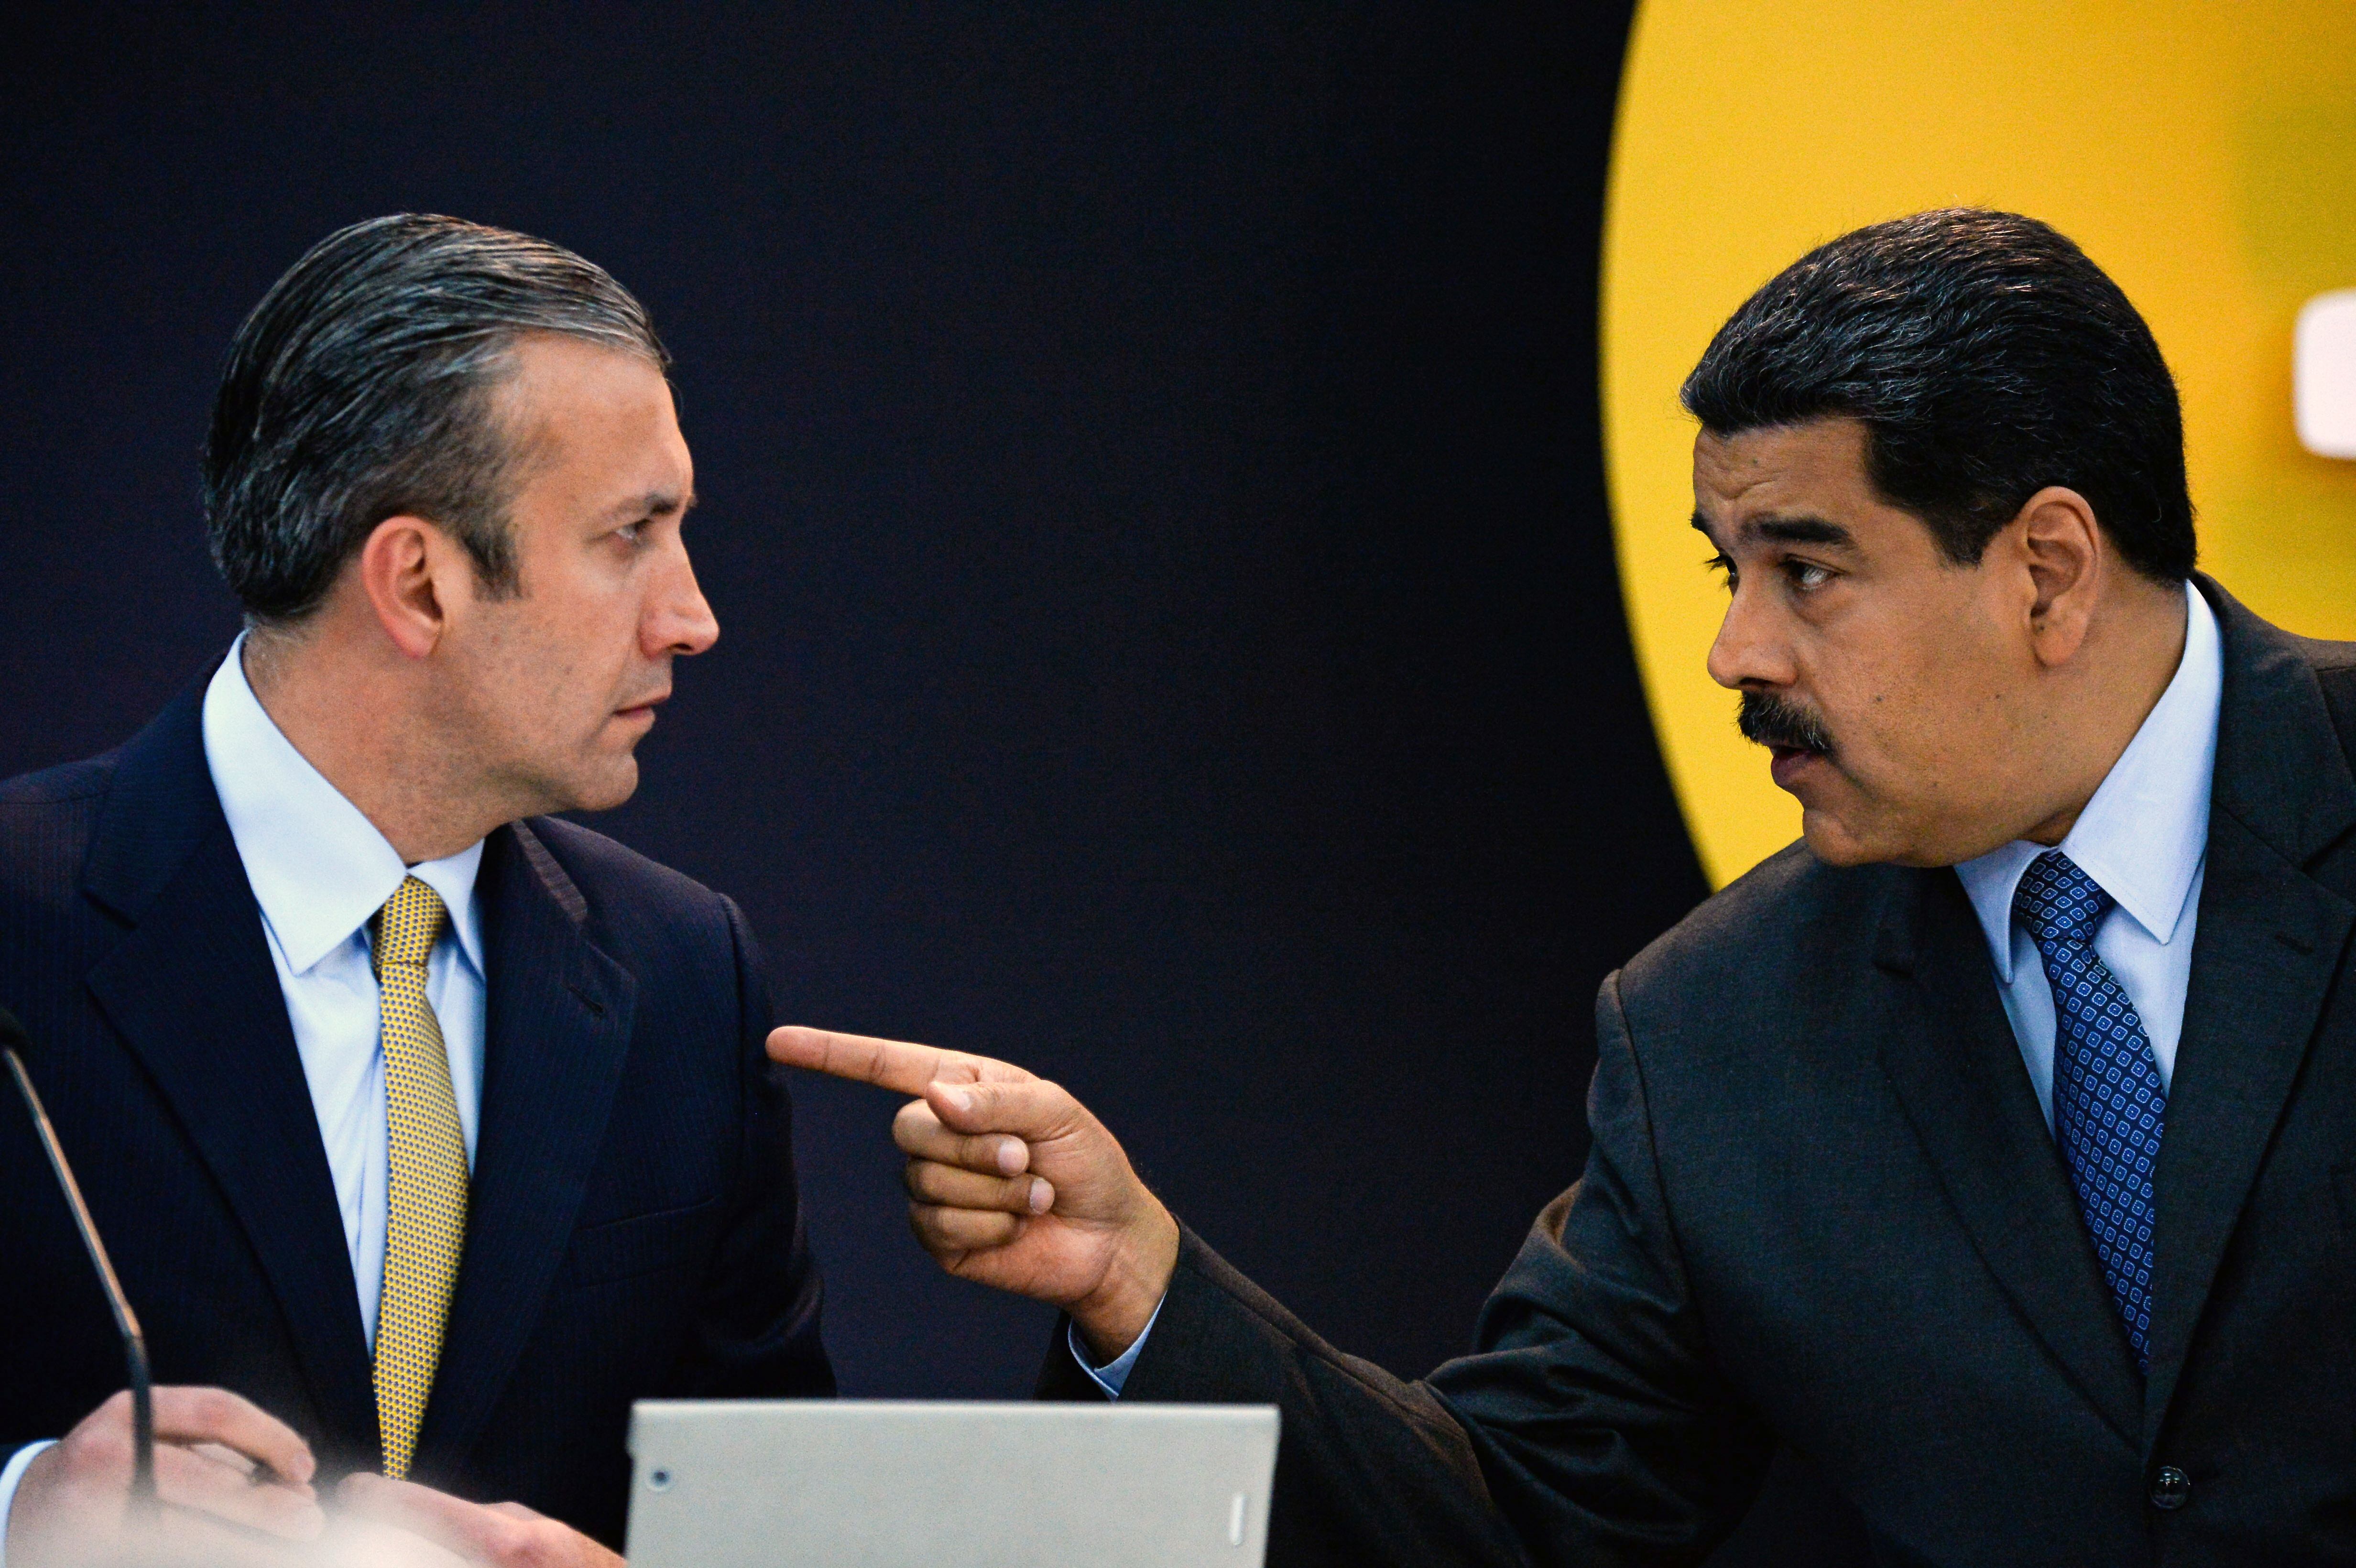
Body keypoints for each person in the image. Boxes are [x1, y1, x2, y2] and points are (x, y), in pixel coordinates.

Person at [775, 209, 2356, 1564]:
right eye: (1724, 570)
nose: (1740, 651)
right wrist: (1139, 1278)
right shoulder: (1719, 1031)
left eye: (1807, 571)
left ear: (2049, 572)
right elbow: (1512, 1522)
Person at [0, 216, 832, 1568]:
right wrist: (23, 1509)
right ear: (419, 582)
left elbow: (767, 1523)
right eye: (634, 536)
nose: (691, 617)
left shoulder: (691, 978)